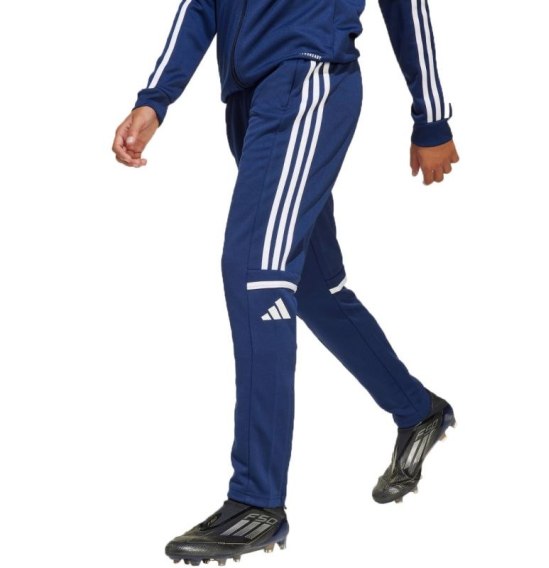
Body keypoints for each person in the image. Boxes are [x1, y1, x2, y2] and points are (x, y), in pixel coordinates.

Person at [112, 0, 460, 565]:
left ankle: (257, 500)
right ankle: (418, 409)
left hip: (307, 79)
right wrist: (155, 99)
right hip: (248, 98)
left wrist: (432, 116)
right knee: (313, 288)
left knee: (257, 274)